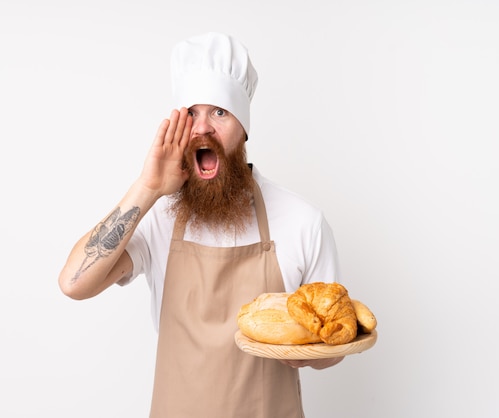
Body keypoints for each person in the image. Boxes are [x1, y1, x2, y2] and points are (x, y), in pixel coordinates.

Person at [58, 32, 343, 418]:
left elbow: (334, 346)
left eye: (220, 113)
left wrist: (308, 354)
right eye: (191, 113)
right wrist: (147, 188)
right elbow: (74, 283)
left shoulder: (301, 219)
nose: (203, 128)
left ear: (244, 129)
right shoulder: (157, 216)